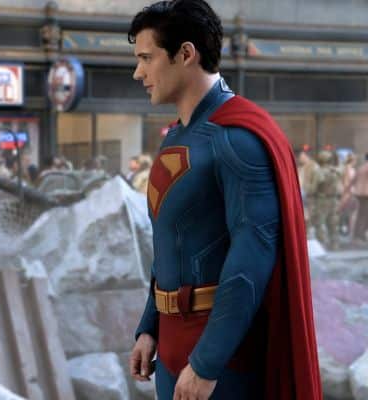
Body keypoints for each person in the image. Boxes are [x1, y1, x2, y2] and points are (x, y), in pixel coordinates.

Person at [126, 1, 321, 399]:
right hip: (172, 348)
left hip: (223, 357)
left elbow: (252, 257)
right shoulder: (177, 136)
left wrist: (207, 361)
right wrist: (150, 326)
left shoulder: (238, 139)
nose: (138, 72)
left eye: (147, 58)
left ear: (185, 54)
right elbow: (170, 245)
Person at [309, 151, 341, 250]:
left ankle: (321, 245)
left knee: (319, 222)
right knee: (333, 222)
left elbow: (313, 188)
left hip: (322, 200)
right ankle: (334, 245)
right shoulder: (335, 171)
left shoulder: (319, 171)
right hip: (334, 199)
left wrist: (309, 190)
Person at [350, 153, 368, 243]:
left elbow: (353, 180)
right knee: (364, 215)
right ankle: (360, 235)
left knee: (361, 214)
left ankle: (359, 235)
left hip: (359, 194)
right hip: (366, 194)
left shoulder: (360, 168)